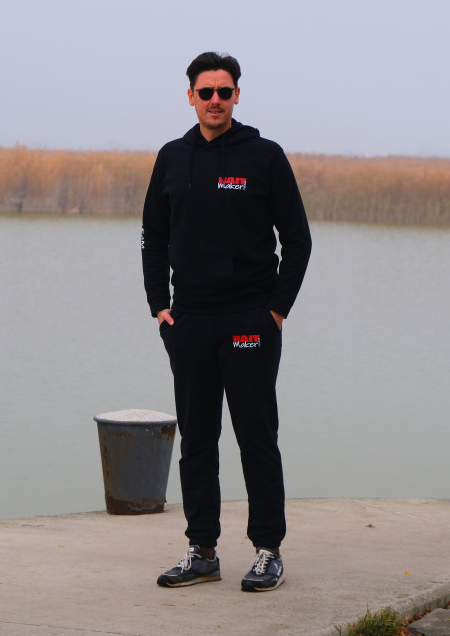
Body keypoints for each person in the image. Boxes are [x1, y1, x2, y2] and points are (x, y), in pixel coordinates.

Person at [141, 51, 312, 592]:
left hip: (249, 320)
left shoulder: (264, 156)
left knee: (256, 436)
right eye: (205, 92)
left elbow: (298, 240)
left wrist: (276, 310)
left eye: (224, 91)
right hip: (189, 320)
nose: (215, 100)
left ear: (237, 96)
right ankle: (202, 550)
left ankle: (268, 550)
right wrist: (159, 306)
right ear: (190, 96)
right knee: (197, 440)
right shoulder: (172, 158)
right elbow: (152, 237)